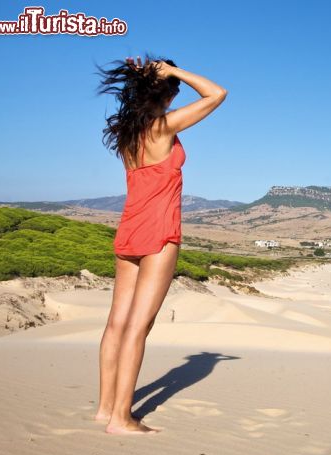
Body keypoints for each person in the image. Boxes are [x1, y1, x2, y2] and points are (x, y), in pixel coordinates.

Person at [94, 54, 228, 434]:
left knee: (116, 325)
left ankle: (105, 408)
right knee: (138, 327)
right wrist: (174, 71)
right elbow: (217, 93)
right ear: (166, 93)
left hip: (129, 231)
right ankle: (122, 418)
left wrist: (158, 77)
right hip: (158, 233)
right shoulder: (162, 128)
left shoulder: (127, 133)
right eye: (175, 89)